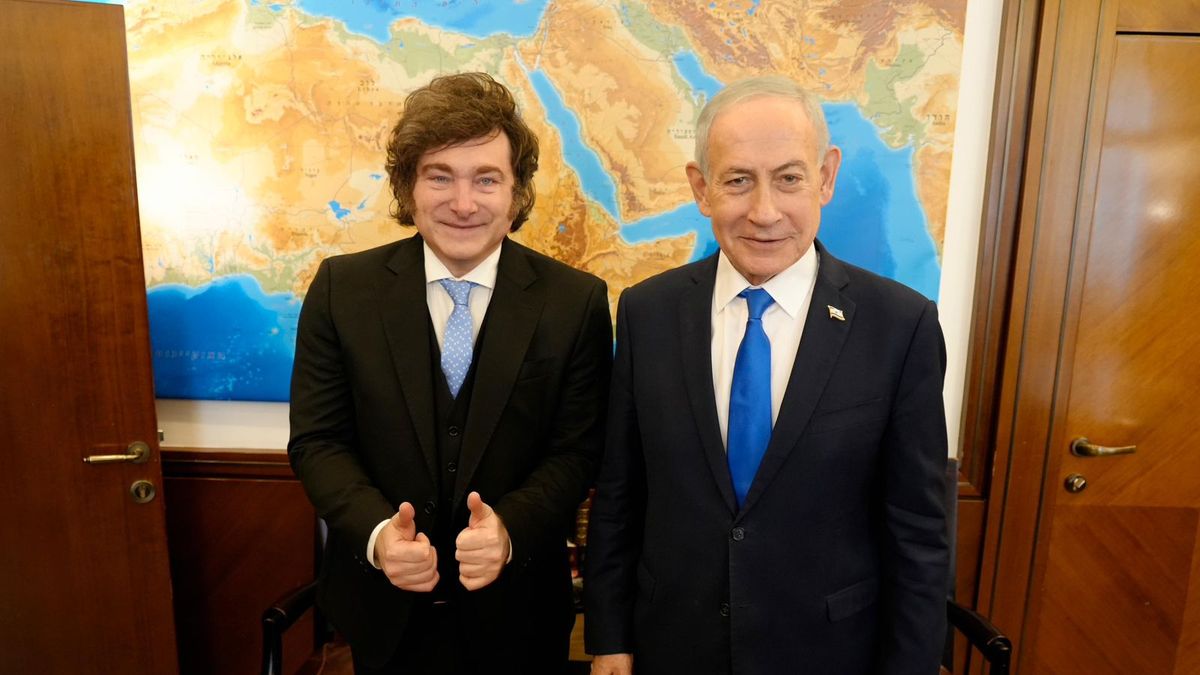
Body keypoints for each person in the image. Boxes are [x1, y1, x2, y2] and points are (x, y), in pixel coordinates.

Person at [584, 75, 950, 675]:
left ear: (825, 178)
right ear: (701, 188)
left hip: (829, 654)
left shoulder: (899, 325)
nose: (764, 212)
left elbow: (918, 529)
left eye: (789, 178)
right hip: (673, 646)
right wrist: (609, 640)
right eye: (737, 180)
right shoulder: (647, 312)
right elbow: (620, 497)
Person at [289, 72, 613, 675]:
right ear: (407, 187)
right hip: (379, 615)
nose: (463, 203)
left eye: (486, 179)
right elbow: (318, 441)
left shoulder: (576, 302)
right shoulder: (341, 290)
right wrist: (378, 534)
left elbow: (577, 450)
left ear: (516, 193)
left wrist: (510, 531)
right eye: (440, 176)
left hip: (520, 616)